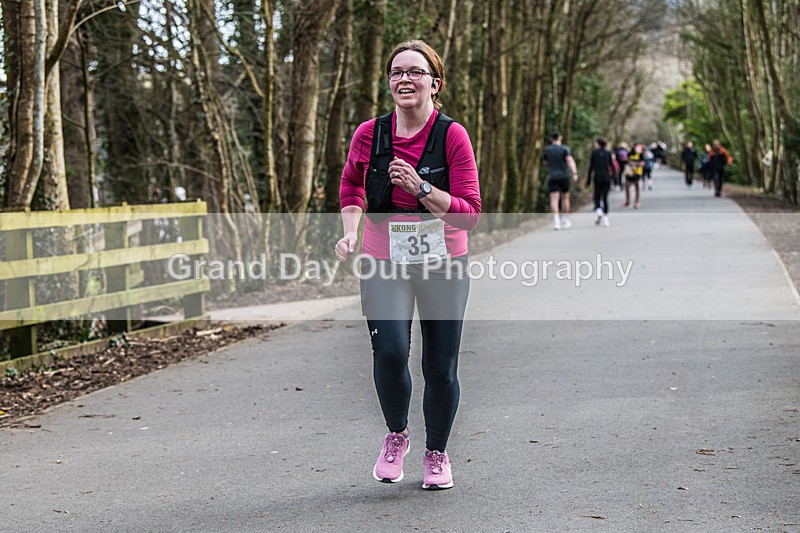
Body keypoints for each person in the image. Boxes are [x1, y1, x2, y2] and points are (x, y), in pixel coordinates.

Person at [336, 40, 481, 491]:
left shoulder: (451, 136)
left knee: (440, 368)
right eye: (397, 71)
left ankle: (436, 453)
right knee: (392, 351)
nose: (405, 79)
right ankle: (396, 434)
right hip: (384, 260)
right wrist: (349, 230)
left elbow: (469, 213)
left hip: (443, 262)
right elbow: (351, 187)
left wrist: (421, 188)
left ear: (434, 84)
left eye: (415, 72)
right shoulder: (370, 134)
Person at [542, 132, 579, 230]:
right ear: (560, 138)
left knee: (554, 199)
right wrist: (574, 173)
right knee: (565, 198)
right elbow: (569, 160)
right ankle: (565, 219)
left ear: (551, 139)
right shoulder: (565, 149)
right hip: (563, 176)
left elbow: (545, 162)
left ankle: (556, 221)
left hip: (552, 177)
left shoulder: (547, 150)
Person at [586, 138, 613, 226]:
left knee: (597, 196)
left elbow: (591, 168)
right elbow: (612, 166)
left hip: (597, 177)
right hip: (606, 177)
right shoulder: (608, 153)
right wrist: (616, 180)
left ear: (598, 144)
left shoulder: (594, 153)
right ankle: (606, 219)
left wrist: (588, 180)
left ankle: (598, 210)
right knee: (605, 198)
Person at [623, 143, 644, 209]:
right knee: (627, 186)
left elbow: (642, 163)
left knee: (637, 187)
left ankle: (636, 202)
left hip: (637, 173)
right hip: (629, 172)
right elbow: (627, 161)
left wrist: (634, 164)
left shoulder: (640, 154)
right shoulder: (629, 153)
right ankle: (627, 201)